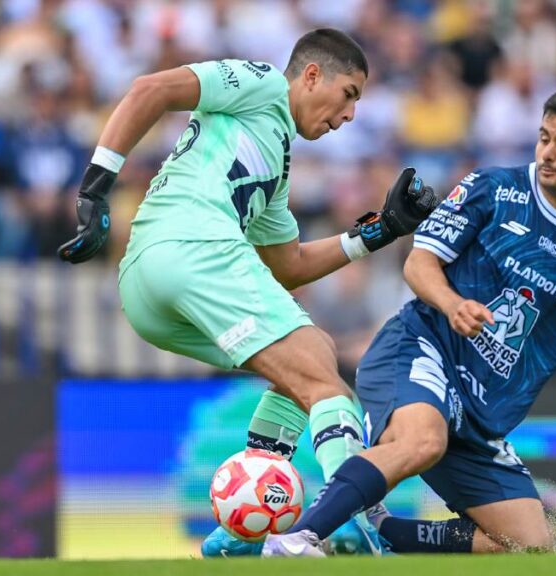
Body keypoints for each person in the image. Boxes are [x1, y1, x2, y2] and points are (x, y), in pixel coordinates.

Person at [263, 87, 556, 557]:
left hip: (481, 410)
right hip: (422, 347)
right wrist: (453, 304)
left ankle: (379, 531)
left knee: (528, 545)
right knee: (422, 440)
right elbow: (419, 263)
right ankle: (295, 540)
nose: (549, 152)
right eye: (544, 137)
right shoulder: (495, 188)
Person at [56, 28, 439, 556]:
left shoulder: (274, 163)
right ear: (310, 75)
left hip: (148, 285)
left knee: (307, 363)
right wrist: (97, 185)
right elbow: (152, 89)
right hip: (194, 245)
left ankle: (239, 532)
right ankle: (350, 518)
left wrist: (379, 231)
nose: (349, 115)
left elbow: (288, 265)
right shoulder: (261, 83)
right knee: (326, 385)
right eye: (349, 94)